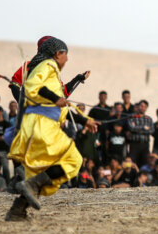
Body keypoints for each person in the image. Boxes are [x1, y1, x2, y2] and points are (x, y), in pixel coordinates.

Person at [6, 37, 99, 221]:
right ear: (57, 53)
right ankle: (24, 187)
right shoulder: (45, 66)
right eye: (65, 54)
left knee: (45, 171)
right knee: (72, 161)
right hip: (41, 125)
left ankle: (18, 209)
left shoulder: (51, 72)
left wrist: (83, 120)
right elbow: (32, 87)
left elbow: (62, 98)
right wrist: (49, 100)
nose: (67, 59)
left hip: (43, 125)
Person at [126, 100, 154, 168]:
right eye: (141, 106)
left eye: (145, 106)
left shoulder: (149, 119)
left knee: (145, 164)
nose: (143, 108)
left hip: (145, 145)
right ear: (138, 107)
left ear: (146, 108)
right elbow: (131, 128)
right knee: (133, 163)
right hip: (134, 144)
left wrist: (137, 129)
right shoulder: (132, 117)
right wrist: (144, 128)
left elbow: (151, 130)